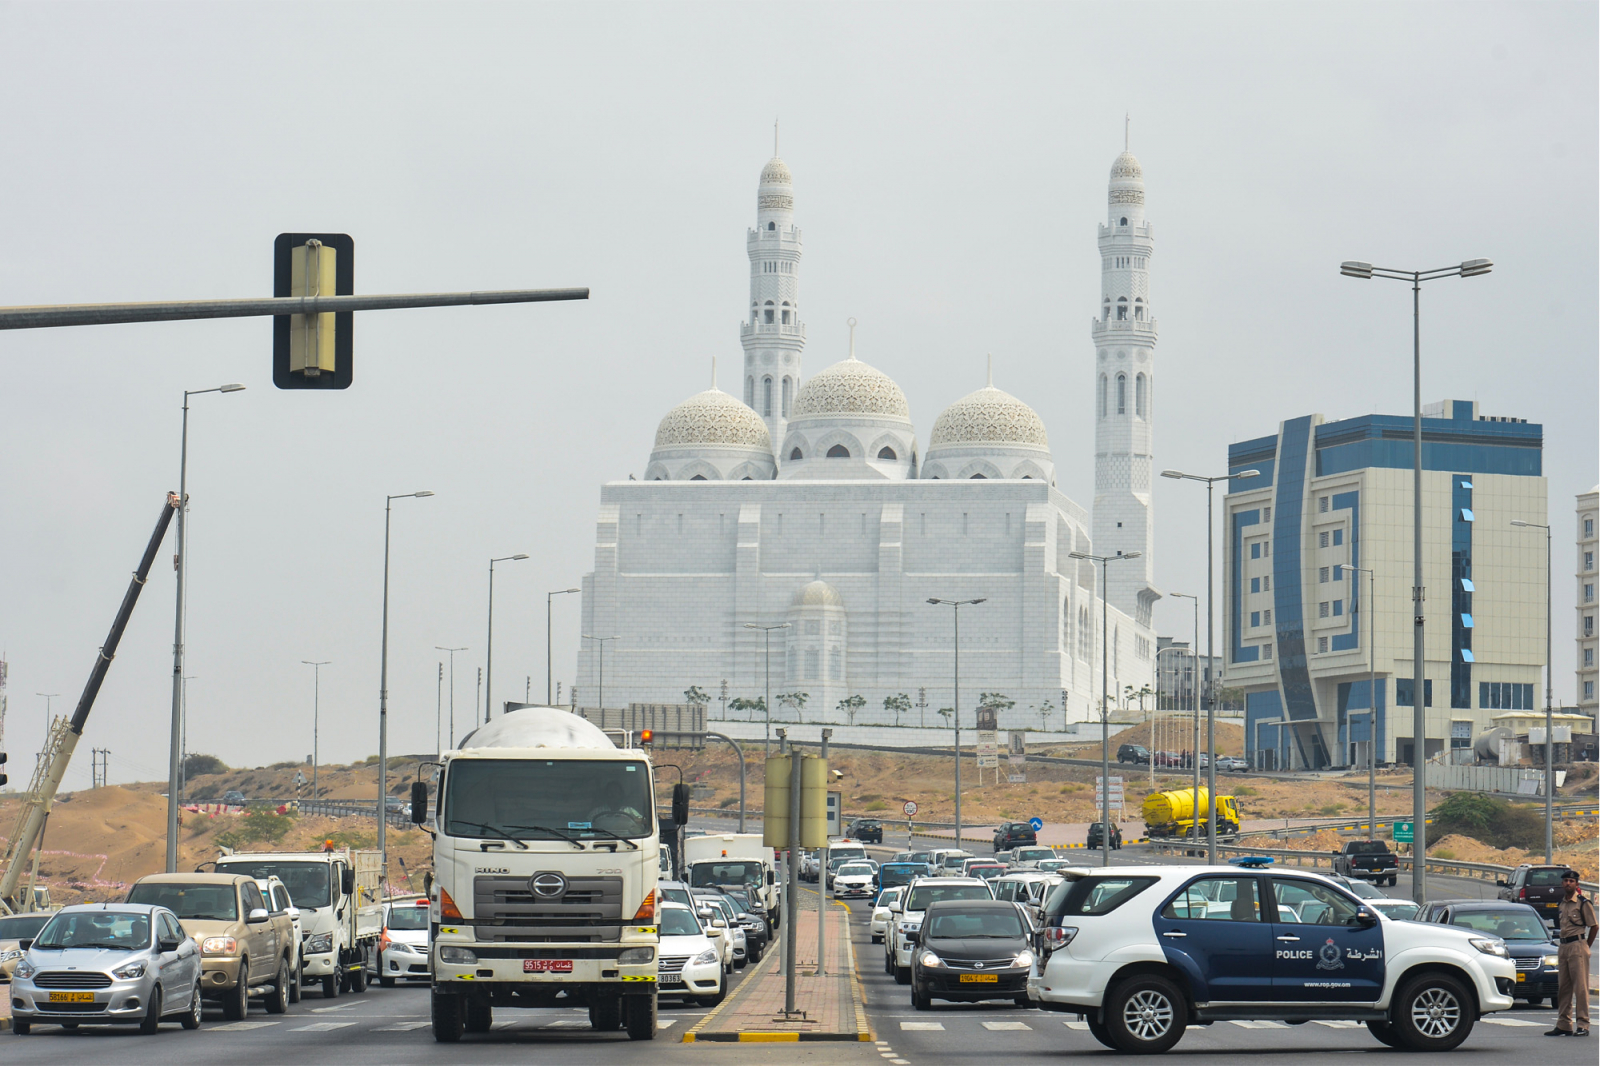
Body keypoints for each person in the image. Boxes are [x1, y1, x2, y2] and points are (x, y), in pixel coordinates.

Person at [1546, 868, 1596, 1037]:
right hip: (1564, 946)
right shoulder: (1562, 904)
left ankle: (1583, 1024)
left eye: (1571, 881)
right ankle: (1564, 1024)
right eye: (1566, 881)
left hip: (1577, 945)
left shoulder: (1582, 903)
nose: (1568, 883)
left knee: (1580, 987)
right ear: (1562, 883)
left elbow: (1594, 926)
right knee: (1563, 987)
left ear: (1577, 884)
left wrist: (1586, 945)